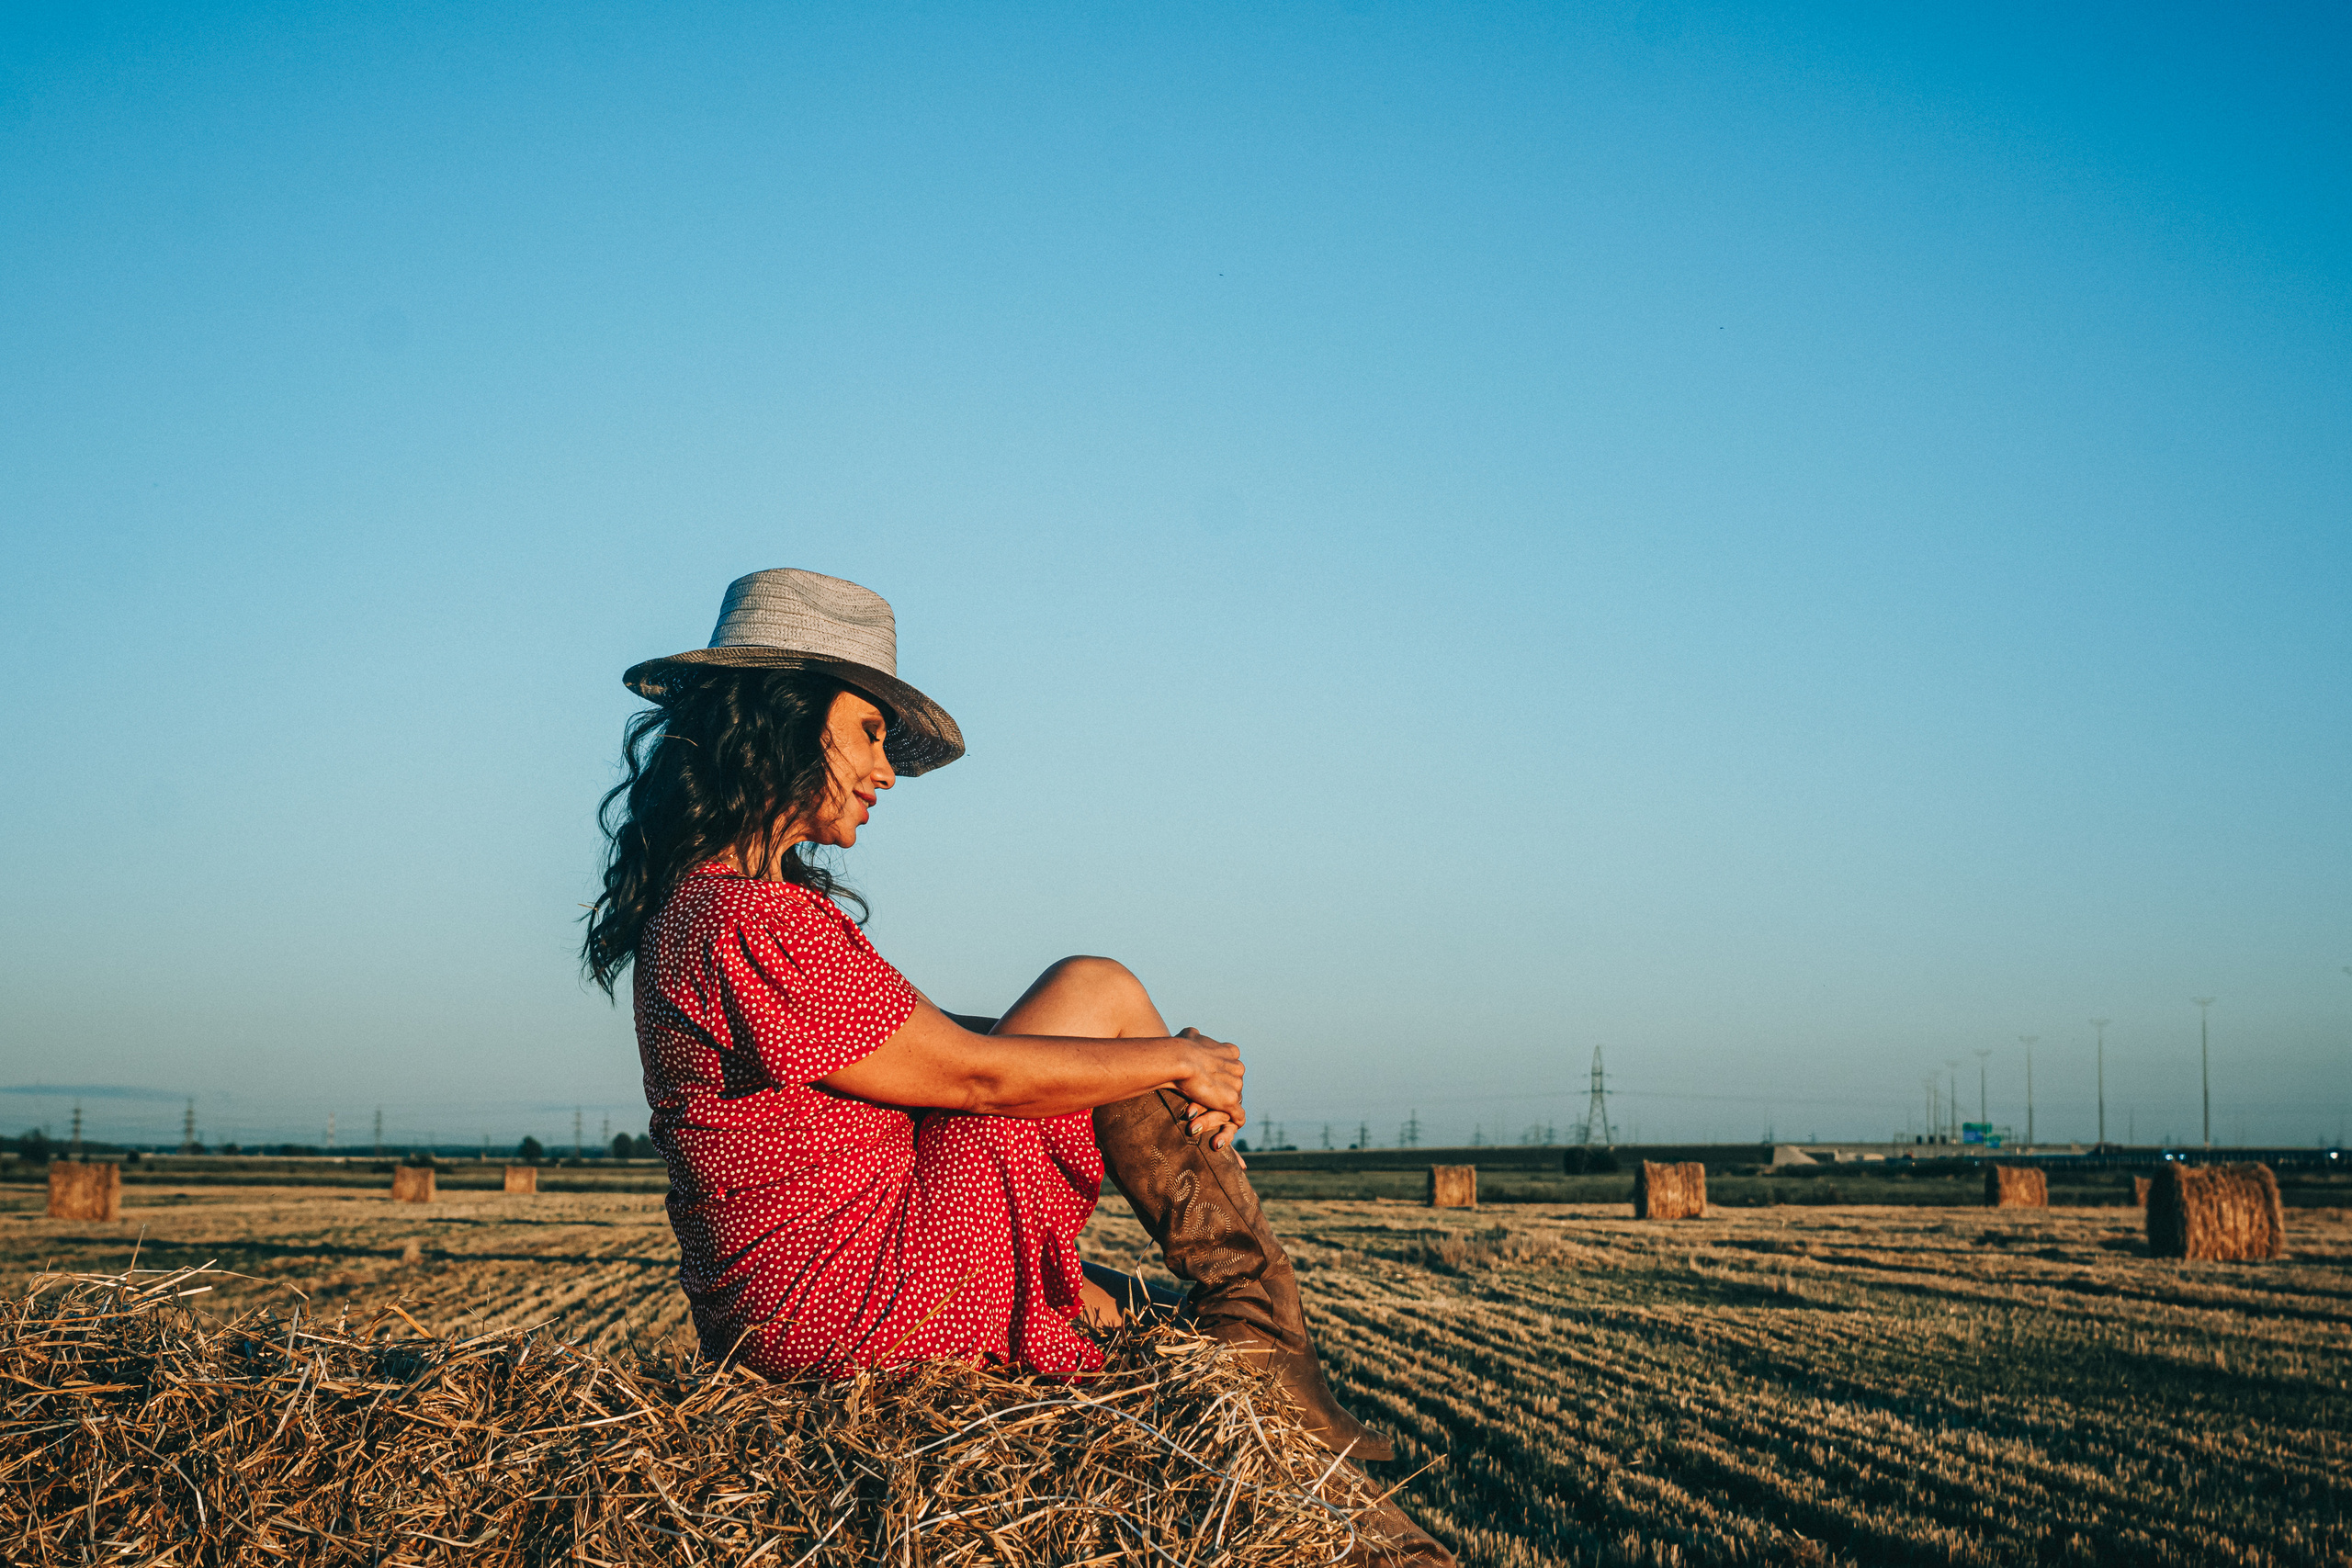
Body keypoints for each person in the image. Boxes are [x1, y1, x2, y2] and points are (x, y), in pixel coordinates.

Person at [587, 569, 1451, 1565]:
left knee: (1134, 1298)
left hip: (817, 1297)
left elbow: (944, 1042)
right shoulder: (742, 918)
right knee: (1099, 986)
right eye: (870, 731)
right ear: (785, 720)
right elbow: (976, 1077)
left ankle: (1255, 1358)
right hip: (857, 1309)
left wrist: (1141, 1063)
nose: (886, 771)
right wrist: (1174, 1057)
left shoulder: (717, 914)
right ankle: (1260, 1332)